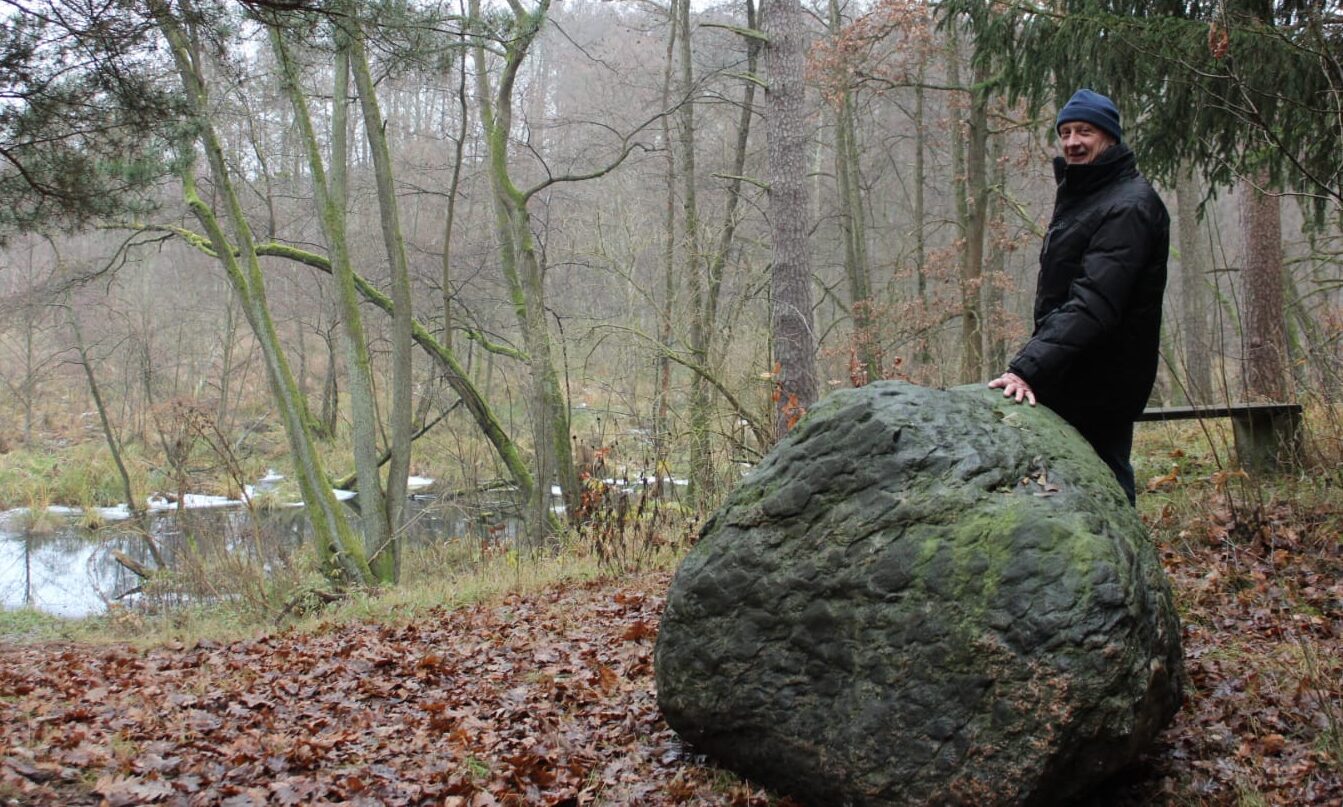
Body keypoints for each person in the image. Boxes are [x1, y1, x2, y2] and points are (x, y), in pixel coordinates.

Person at [988, 88, 1170, 506]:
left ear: (1110, 137)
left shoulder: (1130, 206)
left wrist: (1028, 369)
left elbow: (1094, 301)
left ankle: (1122, 551)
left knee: (1106, 484)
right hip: (1073, 371)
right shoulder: (1088, 195)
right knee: (1074, 487)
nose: (1072, 142)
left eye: (1085, 131)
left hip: (1102, 383)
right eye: (1066, 132)